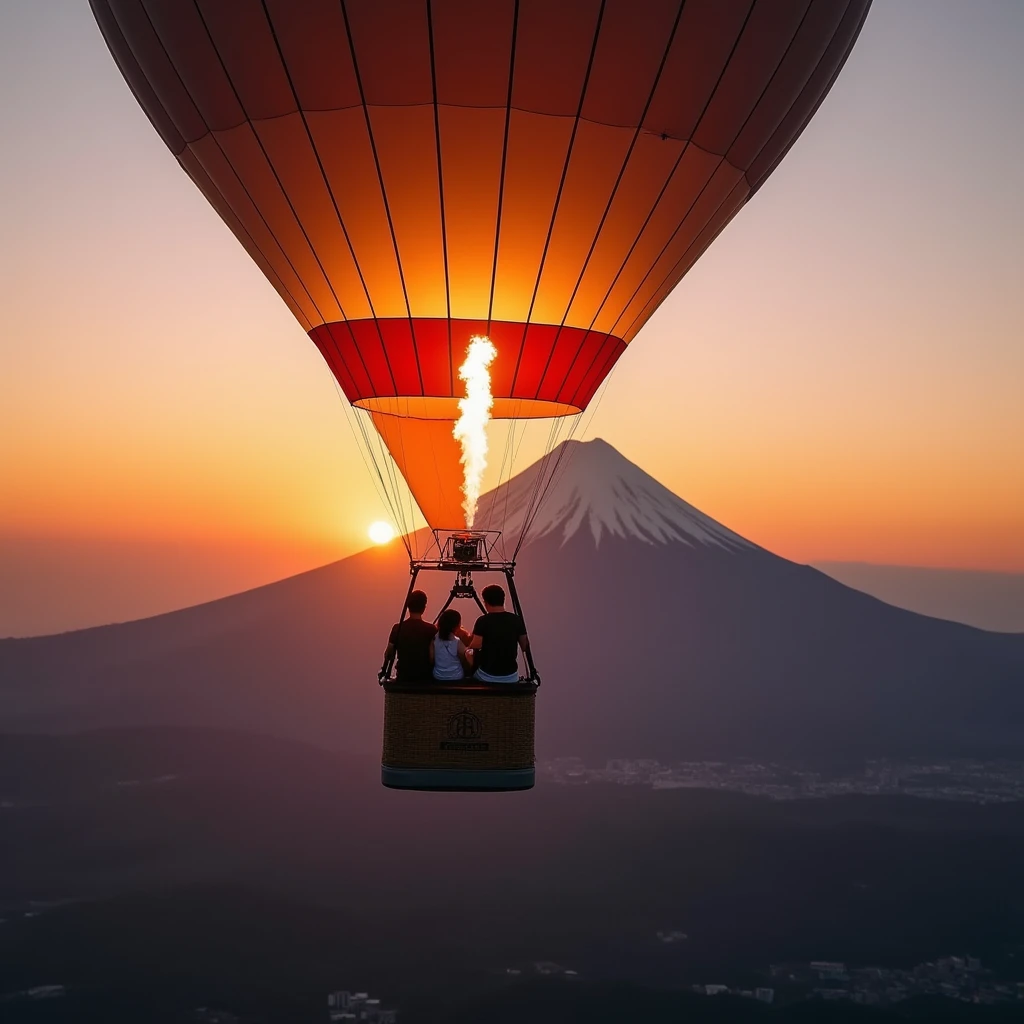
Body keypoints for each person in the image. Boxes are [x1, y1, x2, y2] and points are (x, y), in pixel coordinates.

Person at [468, 584, 530, 683]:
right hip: (511, 676)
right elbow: (524, 646)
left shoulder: (483, 621)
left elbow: (476, 645)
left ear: (485, 602)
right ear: (503, 599)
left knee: (466, 655)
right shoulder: (516, 619)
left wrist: (467, 647)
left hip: (486, 676)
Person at [383, 590, 436, 682]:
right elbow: (433, 657)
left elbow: (388, 654)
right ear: (424, 608)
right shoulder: (432, 629)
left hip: (403, 676)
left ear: (408, 607)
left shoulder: (397, 628)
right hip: (425, 677)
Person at [430, 609, 472, 681]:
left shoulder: (434, 639)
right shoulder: (457, 642)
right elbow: (465, 659)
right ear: (456, 626)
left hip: (438, 675)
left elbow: (431, 659)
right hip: (456, 676)